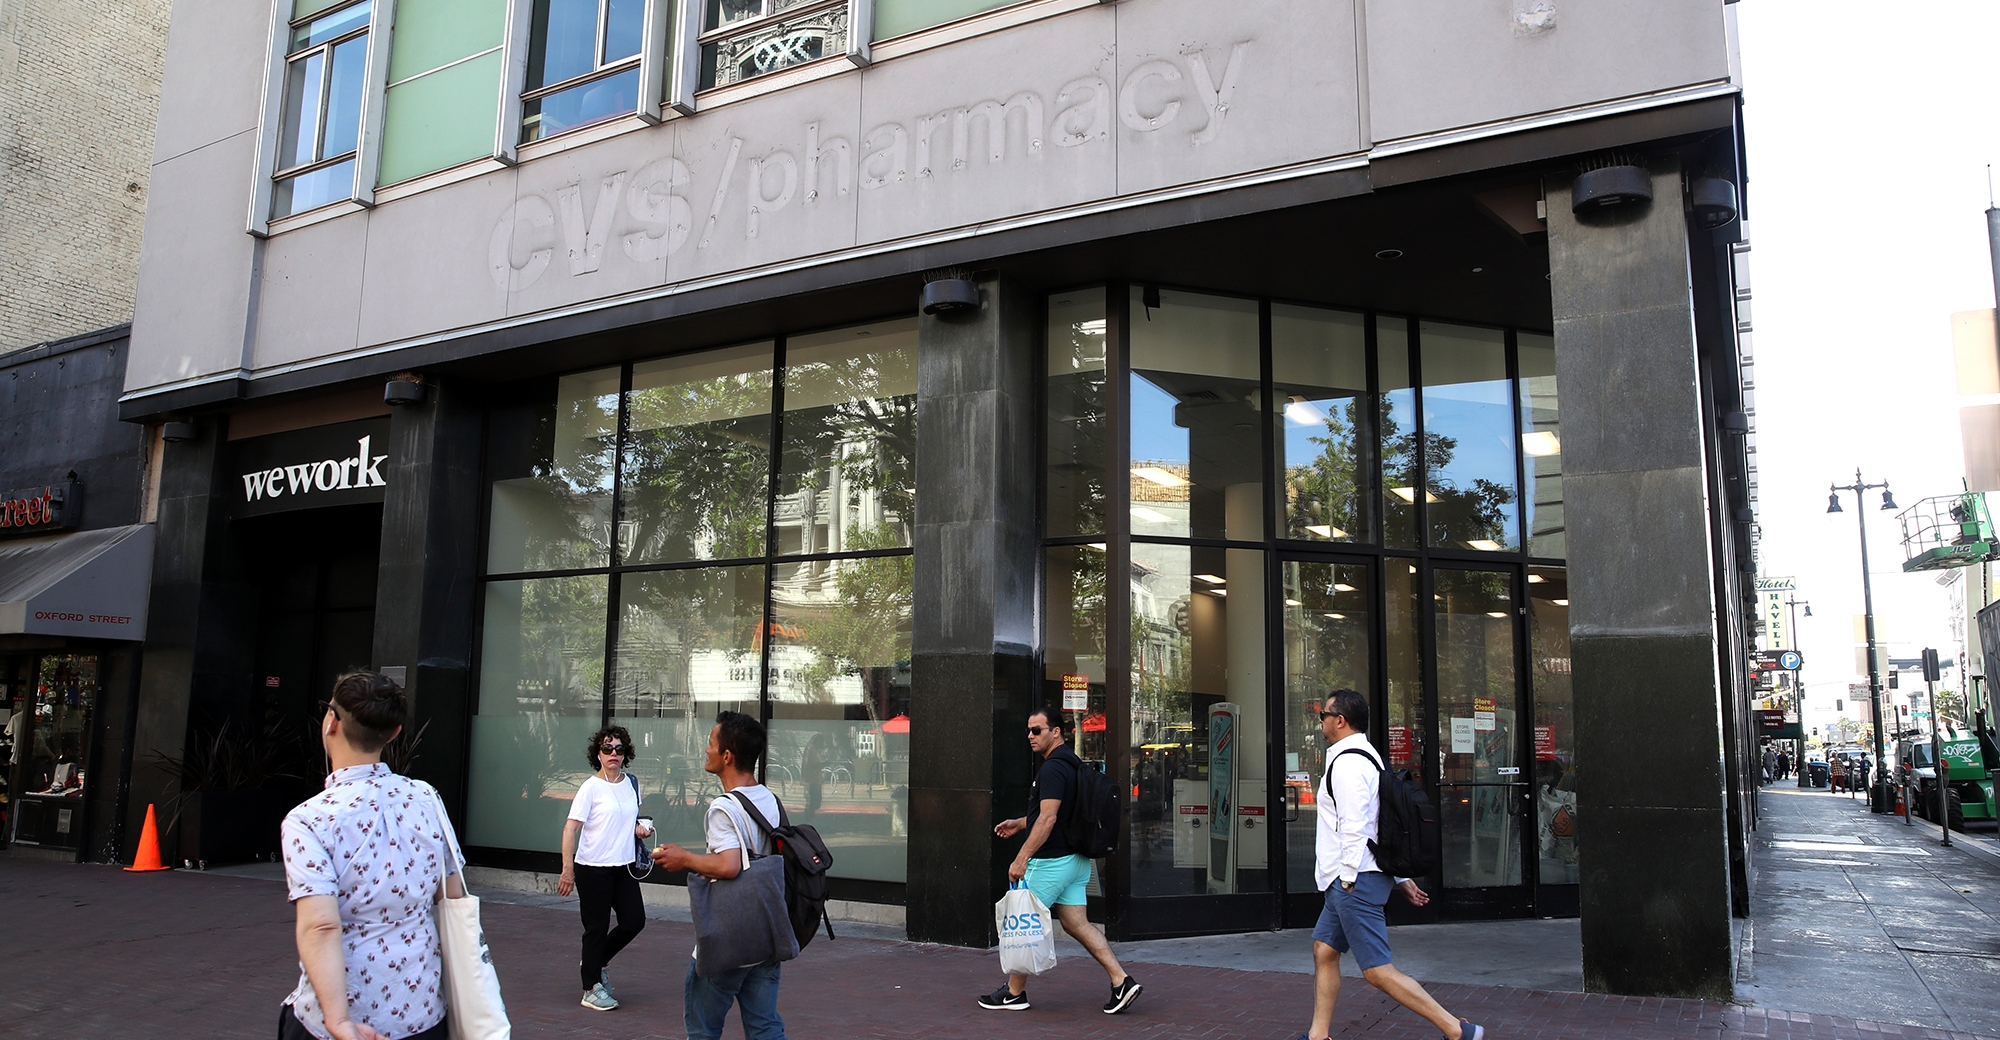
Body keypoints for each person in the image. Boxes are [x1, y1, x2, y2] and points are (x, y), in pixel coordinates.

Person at [280, 671, 464, 1040]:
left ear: (331, 721)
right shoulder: (425, 797)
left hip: (340, 1016)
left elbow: (320, 926)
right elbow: (453, 893)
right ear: (394, 734)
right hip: (423, 1010)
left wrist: (338, 1021)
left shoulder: (309, 820)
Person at [1303, 688, 1485, 1040]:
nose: (1321, 721)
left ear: (1340, 721)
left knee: (1377, 971)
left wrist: (1348, 879)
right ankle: (1317, 1036)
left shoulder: (1348, 764)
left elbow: (1356, 827)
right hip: (1354, 876)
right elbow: (1382, 822)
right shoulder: (1367, 756)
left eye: (1323, 715)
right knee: (1324, 950)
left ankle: (1458, 1030)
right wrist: (1399, 878)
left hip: (1352, 879)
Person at [977, 708, 1142, 1015]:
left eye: (1037, 730)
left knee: (1023, 920)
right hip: (1077, 862)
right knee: (1076, 924)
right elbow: (1059, 814)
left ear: (1056, 732)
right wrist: (1020, 822)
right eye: (1028, 730)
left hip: (1052, 862)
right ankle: (1121, 981)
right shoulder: (1073, 764)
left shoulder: (1052, 768)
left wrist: (1021, 858)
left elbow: (1049, 818)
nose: (1030, 736)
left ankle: (1014, 993)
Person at [653, 711, 790, 1040]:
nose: (706, 750)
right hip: (766, 933)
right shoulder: (769, 799)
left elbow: (730, 865)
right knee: (765, 1027)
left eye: (711, 743)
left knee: (703, 1030)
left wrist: (685, 858)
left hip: (730, 938)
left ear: (727, 756)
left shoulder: (724, 808)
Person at [557, 725, 651, 1012]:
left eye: (619, 749)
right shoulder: (590, 787)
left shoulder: (630, 784)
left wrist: (641, 829)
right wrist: (567, 870)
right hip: (593, 868)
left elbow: (628, 820)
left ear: (625, 754)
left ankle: (597, 962)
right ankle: (590, 988)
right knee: (596, 928)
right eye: (607, 748)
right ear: (597, 754)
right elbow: (570, 829)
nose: (613, 754)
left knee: (634, 921)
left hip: (623, 867)